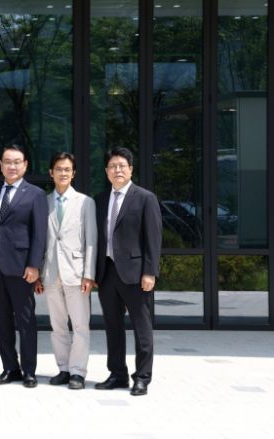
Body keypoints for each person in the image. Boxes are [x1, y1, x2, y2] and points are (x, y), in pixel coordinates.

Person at [94, 146, 161, 396]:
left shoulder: (145, 198)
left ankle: (142, 377)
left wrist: (150, 272)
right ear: (106, 171)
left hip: (136, 273)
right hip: (107, 272)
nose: (117, 170)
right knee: (113, 327)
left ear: (130, 169)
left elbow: (153, 238)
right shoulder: (101, 200)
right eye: (112, 166)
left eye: (122, 166)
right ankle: (117, 374)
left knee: (142, 328)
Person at [0, 144, 47, 388]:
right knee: (2, 321)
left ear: (25, 165)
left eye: (17, 162)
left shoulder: (35, 194)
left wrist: (34, 265)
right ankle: (10, 368)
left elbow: (39, 234)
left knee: (25, 321)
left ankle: (29, 371)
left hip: (22, 268)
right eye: (7, 162)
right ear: (0, 165)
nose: (12, 166)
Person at [36, 152, 96, 390]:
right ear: (51, 173)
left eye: (67, 169)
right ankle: (63, 368)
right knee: (58, 325)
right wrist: (39, 273)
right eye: (59, 169)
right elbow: (40, 241)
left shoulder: (85, 202)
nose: (63, 173)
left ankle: (78, 372)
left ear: (74, 173)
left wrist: (89, 274)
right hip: (50, 273)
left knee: (80, 325)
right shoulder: (43, 202)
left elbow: (91, 240)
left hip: (76, 273)